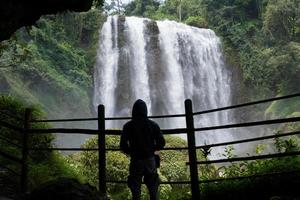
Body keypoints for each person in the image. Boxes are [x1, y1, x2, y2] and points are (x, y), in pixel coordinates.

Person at [120, 99, 166, 200]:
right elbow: (162, 142)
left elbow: (122, 145)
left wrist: (131, 152)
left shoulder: (128, 126)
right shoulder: (153, 125)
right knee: (153, 187)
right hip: (150, 159)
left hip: (136, 160)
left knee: (135, 189)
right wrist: (152, 150)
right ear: (146, 110)